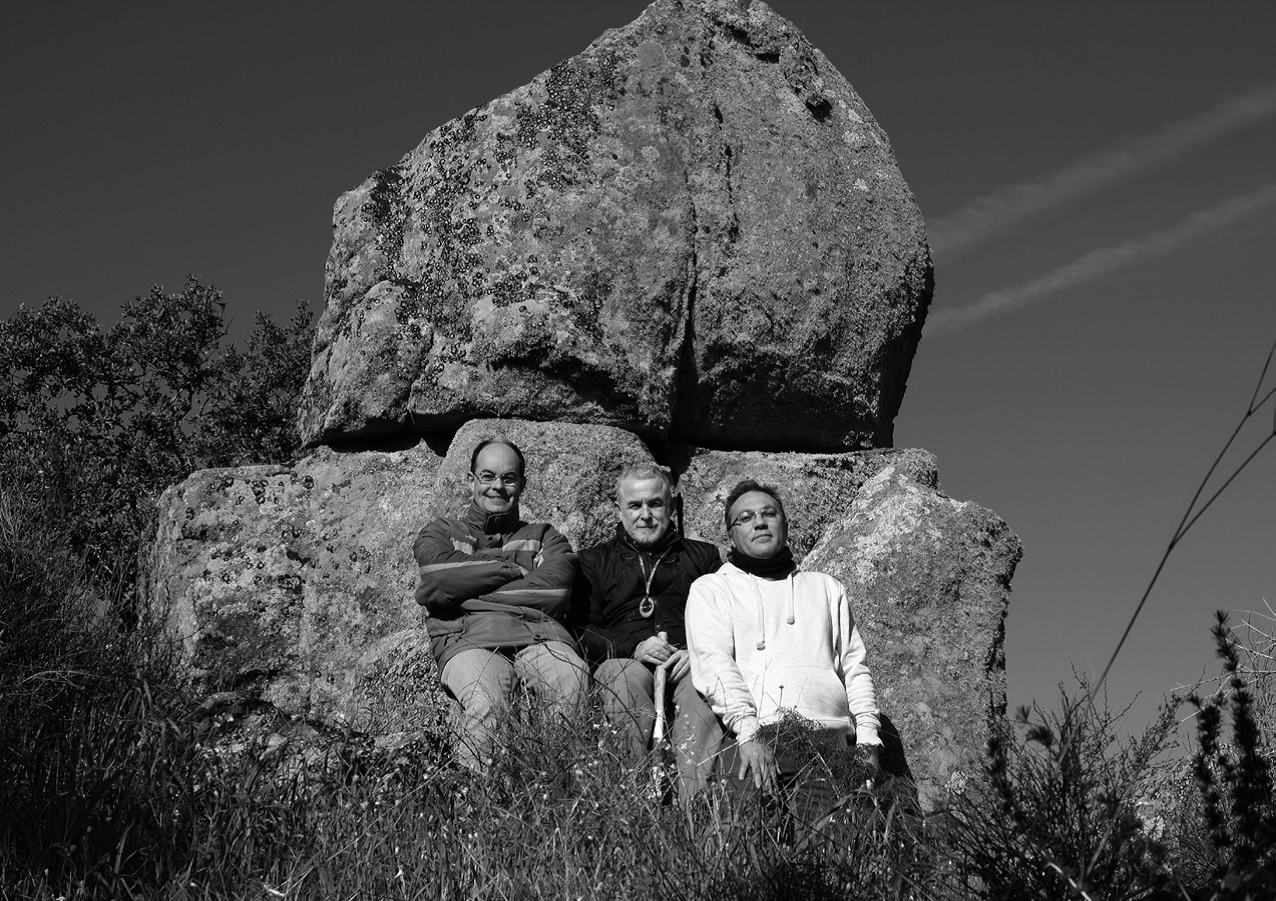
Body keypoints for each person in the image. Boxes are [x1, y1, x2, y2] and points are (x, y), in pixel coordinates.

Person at [686, 478, 882, 819]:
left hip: (830, 744)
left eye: (768, 513)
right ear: (730, 535)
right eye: (745, 518)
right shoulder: (712, 590)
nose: (759, 522)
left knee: (830, 854)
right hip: (757, 739)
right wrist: (747, 732)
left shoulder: (826, 588)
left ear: (785, 524)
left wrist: (867, 740)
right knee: (749, 851)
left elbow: (854, 667)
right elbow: (715, 665)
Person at [414, 438, 587, 771]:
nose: (498, 486)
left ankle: (557, 794)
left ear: (521, 484)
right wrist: (514, 569)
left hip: (540, 638)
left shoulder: (546, 535)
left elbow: (555, 591)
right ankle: (478, 810)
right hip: (467, 642)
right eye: (488, 476)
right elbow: (437, 578)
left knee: (573, 678)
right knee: (488, 700)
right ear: (471, 481)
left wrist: (469, 592)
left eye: (509, 478)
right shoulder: (441, 531)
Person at [574, 463, 723, 797]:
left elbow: (725, 621)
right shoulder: (593, 562)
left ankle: (694, 811)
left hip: (687, 660)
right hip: (626, 660)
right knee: (622, 678)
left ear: (671, 506)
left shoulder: (703, 558)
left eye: (655, 504)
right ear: (619, 509)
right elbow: (581, 630)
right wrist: (634, 647)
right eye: (635, 505)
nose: (646, 514)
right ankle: (631, 803)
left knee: (705, 688)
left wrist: (696, 652)